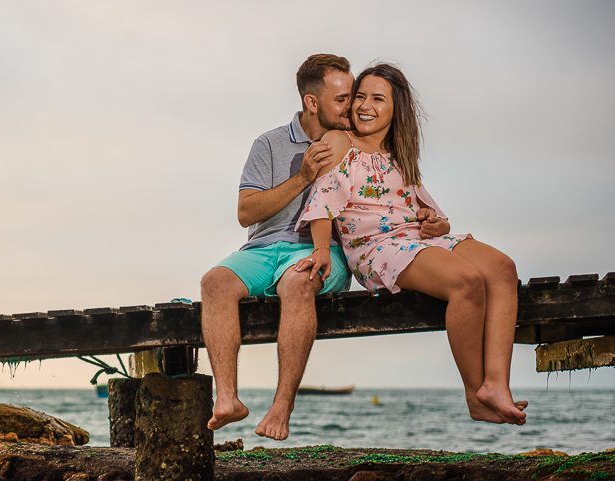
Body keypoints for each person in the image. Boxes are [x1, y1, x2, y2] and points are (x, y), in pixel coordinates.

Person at [200, 54, 444, 441]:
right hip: (262, 249)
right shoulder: (269, 144)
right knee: (214, 281)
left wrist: (426, 223)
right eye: (343, 99)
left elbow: (385, 201)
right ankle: (228, 399)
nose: (355, 107)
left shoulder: (353, 142)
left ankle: (282, 406)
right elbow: (246, 213)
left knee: (298, 283)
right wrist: (303, 177)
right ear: (312, 102)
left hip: (320, 250)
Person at [295, 63, 528, 425]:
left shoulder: (399, 153)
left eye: (377, 98)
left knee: (502, 269)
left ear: (395, 108)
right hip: (374, 247)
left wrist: (436, 223)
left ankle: (496, 384)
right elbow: (323, 201)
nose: (365, 105)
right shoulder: (340, 142)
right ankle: (474, 395)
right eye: (360, 96)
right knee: (466, 282)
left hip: (413, 238)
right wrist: (322, 250)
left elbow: (431, 212)